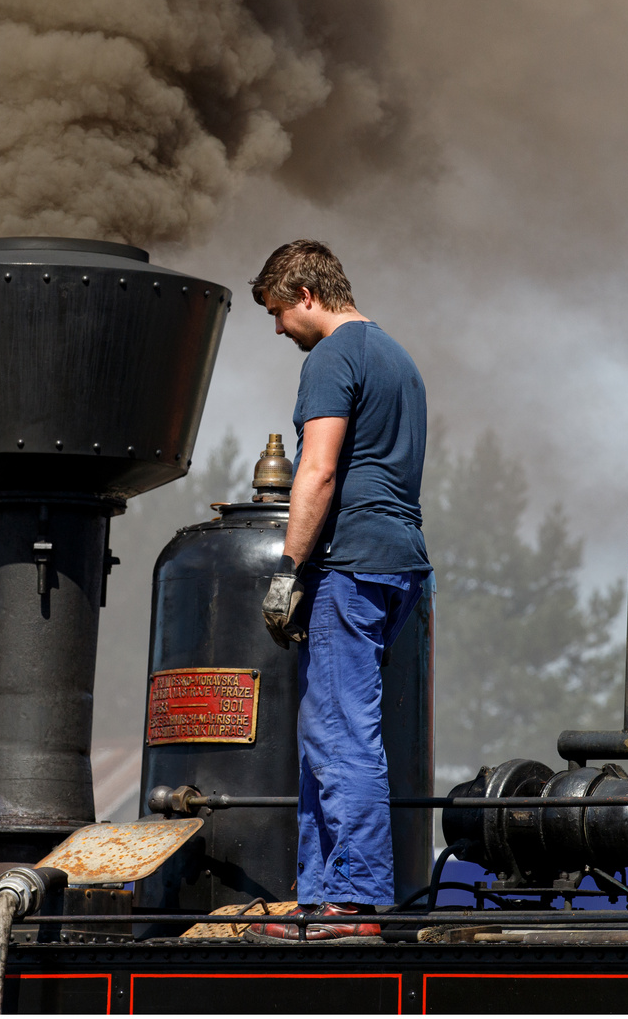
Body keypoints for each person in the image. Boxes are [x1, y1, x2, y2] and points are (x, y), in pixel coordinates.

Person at [244, 239, 430, 944]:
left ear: (304, 297)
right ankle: (322, 894)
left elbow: (316, 471)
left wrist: (288, 571)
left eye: (276, 314)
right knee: (330, 729)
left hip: (350, 563)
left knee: (341, 733)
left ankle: (348, 902)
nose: (277, 330)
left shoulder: (331, 357)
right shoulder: (397, 357)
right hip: (401, 561)